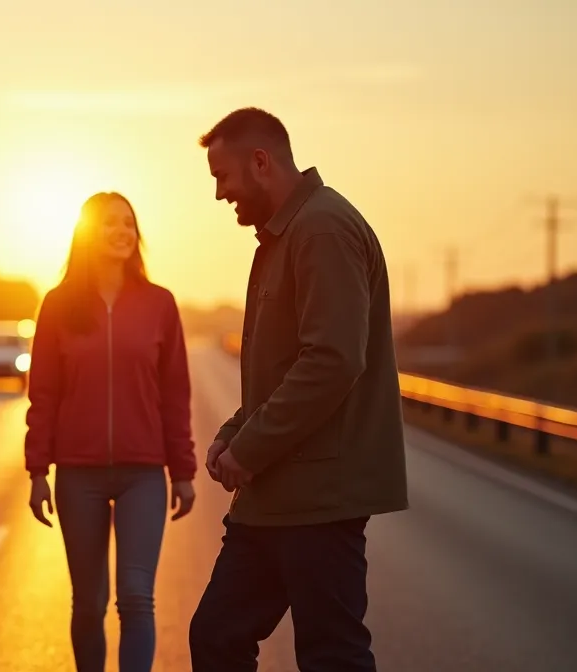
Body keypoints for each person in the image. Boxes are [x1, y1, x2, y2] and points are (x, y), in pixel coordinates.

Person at [188, 108, 408, 671]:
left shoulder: (323, 229)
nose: (219, 193)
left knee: (331, 656)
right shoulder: (286, 235)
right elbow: (283, 368)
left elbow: (332, 361)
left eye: (223, 176)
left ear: (261, 162)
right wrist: (233, 433)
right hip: (275, 495)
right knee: (217, 636)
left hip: (320, 495)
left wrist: (249, 450)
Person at [24, 191, 199, 672]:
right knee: (88, 603)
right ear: (86, 234)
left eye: (128, 223)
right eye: (109, 223)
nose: (122, 232)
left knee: (137, 597)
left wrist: (183, 471)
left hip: (143, 474)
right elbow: (43, 394)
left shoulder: (159, 304)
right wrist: (37, 470)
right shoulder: (58, 305)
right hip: (77, 475)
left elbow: (175, 394)